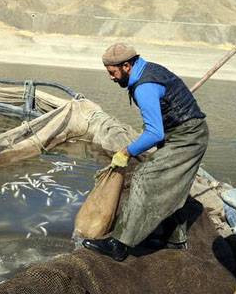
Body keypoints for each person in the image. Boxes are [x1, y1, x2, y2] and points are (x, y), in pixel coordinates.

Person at [82, 43, 208, 261]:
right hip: (179, 132)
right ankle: (175, 239)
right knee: (169, 183)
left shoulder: (144, 86)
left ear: (127, 66)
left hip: (187, 138)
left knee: (145, 178)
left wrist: (127, 151)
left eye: (112, 73)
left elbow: (154, 133)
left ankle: (119, 244)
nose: (111, 78)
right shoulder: (148, 69)